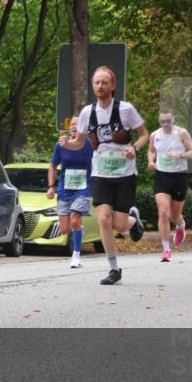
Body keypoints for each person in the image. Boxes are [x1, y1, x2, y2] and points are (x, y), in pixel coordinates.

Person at [64, 66, 148, 285]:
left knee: (119, 225)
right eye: (96, 83)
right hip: (100, 173)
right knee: (103, 218)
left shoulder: (126, 109)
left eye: (104, 82)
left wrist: (135, 149)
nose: (99, 86)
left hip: (124, 174)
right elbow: (79, 143)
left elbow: (144, 135)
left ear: (113, 85)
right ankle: (114, 269)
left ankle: (132, 221)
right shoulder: (86, 113)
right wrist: (67, 143)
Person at [148, 108, 192, 261]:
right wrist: (151, 161)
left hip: (179, 177)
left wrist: (180, 155)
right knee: (163, 211)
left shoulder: (181, 133)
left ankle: (180, 225)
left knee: (174, 215)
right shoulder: (155, 135)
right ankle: (166, 250)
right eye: (162, 121)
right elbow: (151, 150)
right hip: (162, 176)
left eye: (168, 121)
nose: (165, 124)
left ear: (173, 119)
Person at [47, 116, 95, 269]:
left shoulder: (89, 145)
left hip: (83, 189)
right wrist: (51, 186)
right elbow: (53, 166)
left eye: (78, 124)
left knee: (75, 219)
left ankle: (76, 256)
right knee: (64, 229)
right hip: (64, 190)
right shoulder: (61, 145)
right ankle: (79, 230)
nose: (74, 126)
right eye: (72, 124)